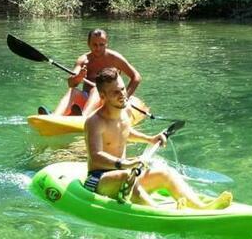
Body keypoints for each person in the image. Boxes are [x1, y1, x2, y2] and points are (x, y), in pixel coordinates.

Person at [83, 67, 232, 210]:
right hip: (98, 179)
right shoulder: (94, 121)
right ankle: (158, 211)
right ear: (103, 96)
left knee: (166, 172)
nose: (122, 94)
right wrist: (126, 164)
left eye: (122, 89)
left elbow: (124, 131)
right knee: (126, 176)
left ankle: (201, 208)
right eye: (115, 92)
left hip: (127, 174)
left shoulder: (125, 111)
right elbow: (96, 157)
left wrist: (150, 139)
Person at [51, 29, 141, 116]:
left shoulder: (115, 58)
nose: (98, 48)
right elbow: (71, 83)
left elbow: (136, 77)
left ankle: (84, 117)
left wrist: (126, 96)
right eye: (94, 45)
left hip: (109, 99)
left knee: (96, 90)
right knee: (73, 91)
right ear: (88, 44)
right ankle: (55, 116)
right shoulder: (83, 60)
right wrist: (79, 77)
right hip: (88, 97)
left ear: (106, 44)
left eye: (101, 44)